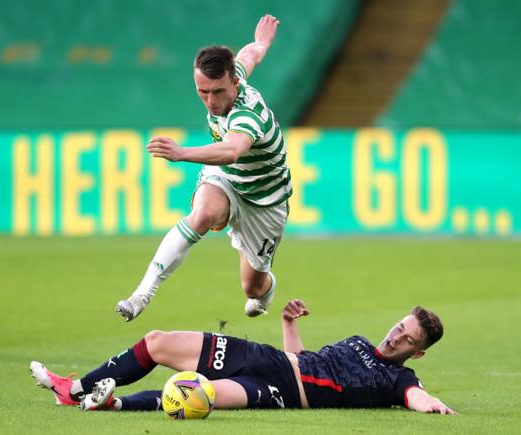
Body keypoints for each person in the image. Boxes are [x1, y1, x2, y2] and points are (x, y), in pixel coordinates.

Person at [115, 14, 292, 321]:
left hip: (265, 199)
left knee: (252, 286)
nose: (210, 101)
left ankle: (265, 291)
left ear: (234, 83)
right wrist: (262, 41)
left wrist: (182, 153)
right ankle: (140, 295)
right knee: (203, 214)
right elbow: (251, 55)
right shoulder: (233, 73)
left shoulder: (246, 114)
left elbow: (233, 150)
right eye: (203, 91)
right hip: (227, 179)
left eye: (218, 92)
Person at [30, 299, 456, 414]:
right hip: (265, 357)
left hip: (277, 392)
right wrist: (290, 324)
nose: (395, 336)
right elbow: (303, 358)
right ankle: (74, 389)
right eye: (399, 326)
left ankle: (109, 404)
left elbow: (417, 397)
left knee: (196, 395)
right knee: (158, 341)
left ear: (416, 352)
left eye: (406, 339)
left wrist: (431, 404)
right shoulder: (360, 342)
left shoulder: (401, 381)